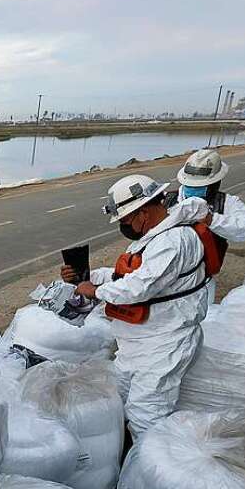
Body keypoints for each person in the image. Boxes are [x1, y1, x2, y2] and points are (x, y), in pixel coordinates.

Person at [61, 175, 215, 439]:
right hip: (139, 344)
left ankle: (147, 473)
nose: (124, 227)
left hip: (164, 344)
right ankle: (122, 457)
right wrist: (90, 277)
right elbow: (131, 274)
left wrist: (95, 291)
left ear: (142, 212)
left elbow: (139, 287)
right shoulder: (155, 237)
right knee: (117, 401)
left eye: (124, 221)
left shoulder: (173, 241)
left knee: (146, 417)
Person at [170, 147, 245, 302]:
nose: (194, 189)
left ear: (215, 183)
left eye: (200, 186)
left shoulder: (226, 203)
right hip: (164, 281)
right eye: (191, 185)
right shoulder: (166, 201)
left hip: (201, 284)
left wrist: (212, 220)